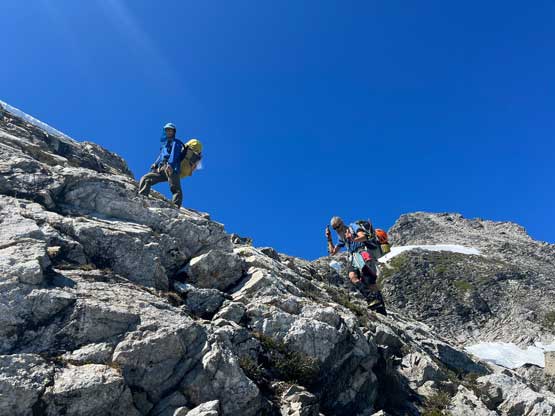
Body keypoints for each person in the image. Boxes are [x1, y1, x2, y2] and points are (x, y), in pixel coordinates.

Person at [326, 216, 387, 315]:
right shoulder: (341, 236)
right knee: (352, 277)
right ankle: (370, 298)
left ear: (342, 223)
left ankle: (381, 308)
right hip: (353, 257)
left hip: (363, 254)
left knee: (370, 281)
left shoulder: (352, 227)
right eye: (334, 228)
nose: (337, 230)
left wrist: (353, 239)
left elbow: (364, 236)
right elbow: (333, 252)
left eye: (338, 226)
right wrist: (329, 238)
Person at [138, 123, 187, 207]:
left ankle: (175, 207)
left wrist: (170, 164)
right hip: (161, 169)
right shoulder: (164, 145)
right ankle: (142, 197)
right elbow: (161, 156)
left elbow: (174, 153)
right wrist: (155, 164)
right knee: (146, 178)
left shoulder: (176, 142)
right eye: (167, 130)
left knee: (175, 189)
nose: (168, 132)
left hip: (171, 168)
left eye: (170, 130)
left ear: (174, 132)